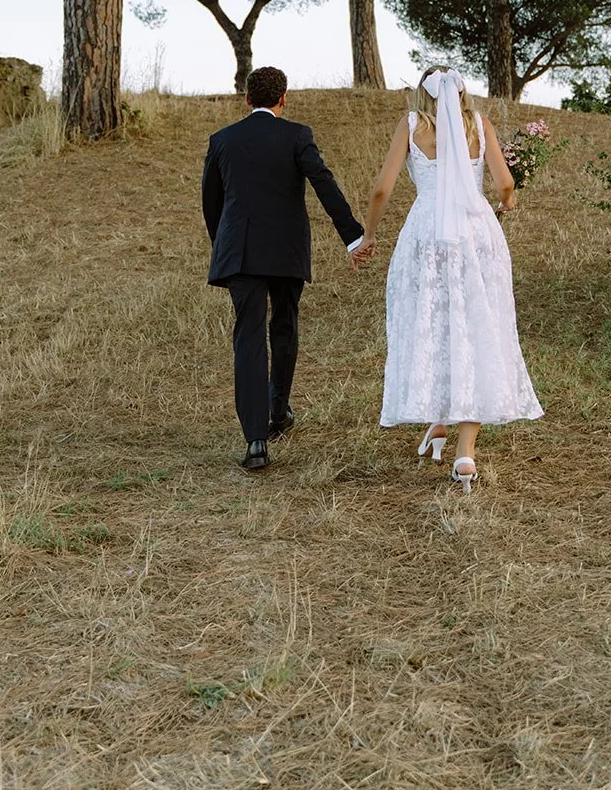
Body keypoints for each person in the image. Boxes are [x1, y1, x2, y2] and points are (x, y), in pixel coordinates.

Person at [354, 65, 543, 492]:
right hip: (476, 233)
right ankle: (464, 452)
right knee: (476, 326)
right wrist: (507, 201)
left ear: (423, 94)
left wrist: (369, 234)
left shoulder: (410, 125)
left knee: (436, 323)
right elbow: (504, 181)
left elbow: (382, 189)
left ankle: (439, 425)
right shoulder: (480, 124)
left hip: (426, 235)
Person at [202, 65, 374, 470]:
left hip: (240, 253)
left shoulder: (223, 140)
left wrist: (223, 246)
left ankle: (256, 441)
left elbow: (212, 202)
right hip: (286, 252)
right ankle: (278, 412)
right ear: (283, 99)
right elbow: (323, 182)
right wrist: (352, 236)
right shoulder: (297, 135)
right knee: (284, 326)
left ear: (246, 99)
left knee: (248, 340)